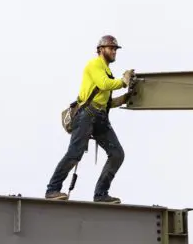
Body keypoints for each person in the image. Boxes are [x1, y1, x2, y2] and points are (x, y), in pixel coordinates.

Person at [45, 35, 136, 204]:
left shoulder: (107, 71)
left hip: (100, 117)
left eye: (115, 49)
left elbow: (106, 102)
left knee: (117, 154)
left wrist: (125, 98)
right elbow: (103, 85)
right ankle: (52, 189)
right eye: (111, 48)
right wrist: (123, 82)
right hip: (87, 114)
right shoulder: (94, 65)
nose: (114, 51)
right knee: (75, 153)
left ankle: (101, 194)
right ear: (101, 50)